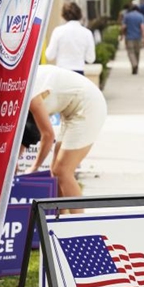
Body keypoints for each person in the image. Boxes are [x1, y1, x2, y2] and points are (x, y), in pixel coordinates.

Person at [25, 65, 107, 212]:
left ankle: (79, 225)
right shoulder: (23, 83)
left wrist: (34, 167)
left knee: (63, 171)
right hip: (71, 111)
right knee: (55, 172)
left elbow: (48, 135)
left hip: (88, 105)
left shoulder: (30, 94)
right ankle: (60, 220)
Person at [45, 2, 95, 74]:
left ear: (63, 15)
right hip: (79, 73)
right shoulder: (87, 33)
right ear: (80, 14)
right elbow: (91, 59)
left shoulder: (58, 31)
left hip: (62, 71)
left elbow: (49, 55)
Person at [120, 3, 144, 74]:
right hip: (138, 37)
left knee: (130, 52)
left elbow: (123, 27)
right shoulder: (141, 16)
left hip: (129, 38)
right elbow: (142, 28)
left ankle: (134, 65)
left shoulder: (127, 16)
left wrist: (122, 36)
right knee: (137, 53)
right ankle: (136, 66)